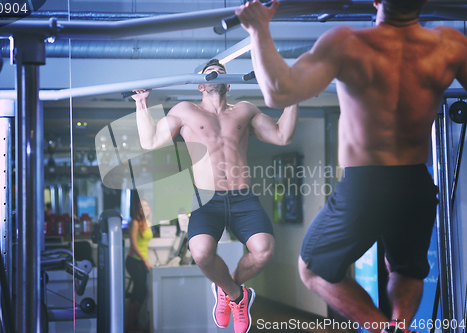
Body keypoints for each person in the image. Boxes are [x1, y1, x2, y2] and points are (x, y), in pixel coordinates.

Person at [236, 0, 467, 332]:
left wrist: (258, 29)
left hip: (366, 184)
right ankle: (399, 326)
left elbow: (279, 92)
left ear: (375, 1)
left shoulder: (349, 43)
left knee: (312, 268)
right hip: (416, 181)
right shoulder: (450, 45)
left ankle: (382, 328)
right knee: (407, 269)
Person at [133, 58, 299, 333]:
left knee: (264, 250)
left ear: (228, 83)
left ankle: (227, 290)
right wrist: (141, 103)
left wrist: (293, 99)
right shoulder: (186, 111)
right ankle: (237, 296)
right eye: (209, 73)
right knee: (201, 253)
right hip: (205, 198)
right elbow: (149, 141)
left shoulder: (244, 111)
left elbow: (283, 137)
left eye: (220, 72)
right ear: (200, 84)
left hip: (242, 197)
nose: (215, 75)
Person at [125, 195, 153, 333]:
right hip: (134, 261)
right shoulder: (135, 223)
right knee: (138, 291)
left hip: (141, 261)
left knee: (141, 292)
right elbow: (134, 245)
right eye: (142, 206)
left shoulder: (146, 222)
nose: (144, 209)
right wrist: (145, 260)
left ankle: (133, 323)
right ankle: (130, 325)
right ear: (137, 209)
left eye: (146, 206)